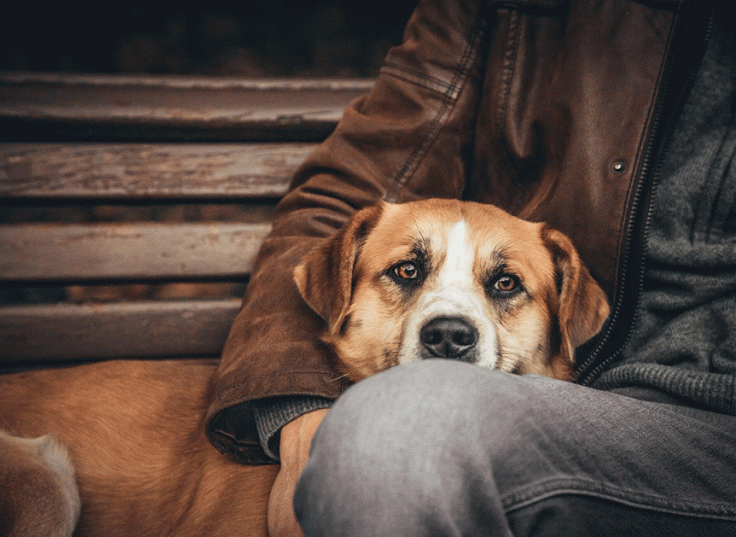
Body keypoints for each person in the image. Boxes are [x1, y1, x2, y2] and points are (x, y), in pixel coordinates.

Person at [205, 0, 736, 535]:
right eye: (408, 273)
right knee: (395, 431)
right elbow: (337, 199)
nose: (450, 326)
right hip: (537, 415)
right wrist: (301, 415)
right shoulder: (501, 10)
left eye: (504, 284)